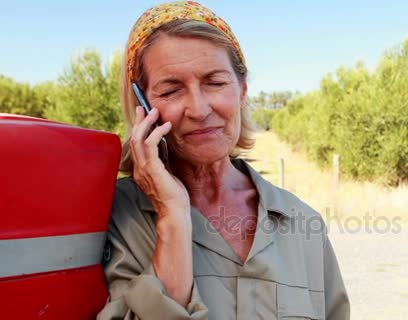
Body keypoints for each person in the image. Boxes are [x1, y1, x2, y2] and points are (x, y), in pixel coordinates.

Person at [96, 1, 350, 319]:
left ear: (242, 90)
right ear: (143, 105)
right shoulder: (113, 218)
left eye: (215, 82)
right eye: (172, 90)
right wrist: (172, 220)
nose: (199, 109)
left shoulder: (301, 222)